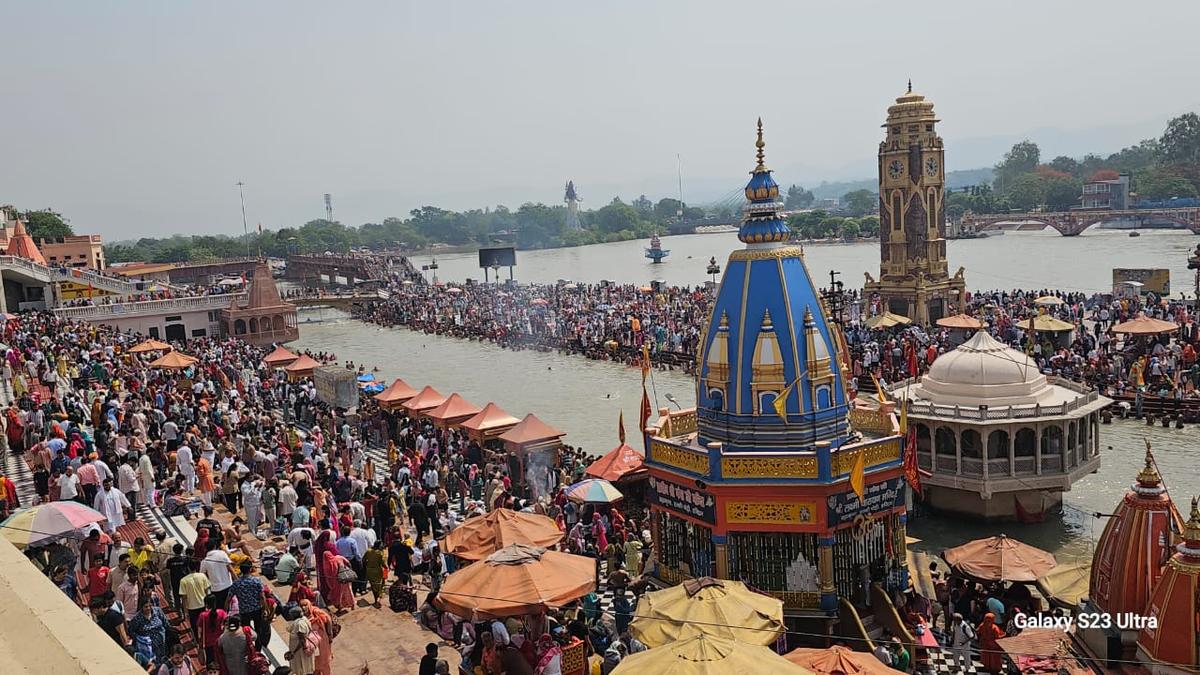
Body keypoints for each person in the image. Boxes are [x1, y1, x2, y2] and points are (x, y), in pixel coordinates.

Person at [229, 561, 270, 651]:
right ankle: (258, 649)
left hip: (244, 611)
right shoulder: (256, 581)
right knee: (258, 629)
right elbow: (262, 597)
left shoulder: (236, 583)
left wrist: (225, 612)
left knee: (246, 631)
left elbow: (228, 598)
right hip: (257, 609)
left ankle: (248, 647)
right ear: (250, 569)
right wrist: (266, 609)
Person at [128, 597, 169, 665]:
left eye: (150, 606)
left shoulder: (157, 611)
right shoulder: (138, 618)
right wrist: (139, 638)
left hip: (162, 645)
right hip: (148, 648)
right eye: (146, 607)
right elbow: (131, 630)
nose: (148, 608)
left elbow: (166, 623)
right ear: (142, 607)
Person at [301, 599, 334, 675]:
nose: (303, 608)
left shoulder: (316, 611)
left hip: (322, 640)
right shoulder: (302, 616)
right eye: (302, 606)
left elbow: (328, 618)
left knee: (324, 661)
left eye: (305, 605)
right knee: (315, 662)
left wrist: (330, 633)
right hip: (312, 643)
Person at [285, 605, 316, 675]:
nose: (290, 616)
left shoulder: (299, 624)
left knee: (302, 669)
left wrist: (293, 652)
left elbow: (302, 640)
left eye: (291, 615)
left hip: (300, 652)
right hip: (300, 650)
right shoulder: (304, 619)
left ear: (295, 615)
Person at [197, 594, 227, 665]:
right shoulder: (222, 613)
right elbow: (226, 625)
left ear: (206, 604)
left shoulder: (203, 616)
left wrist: (200, 642)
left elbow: (199, 632)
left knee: (210, 662)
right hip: (220, 642)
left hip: (208, 644)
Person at [362, 539, 387, 608]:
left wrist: (367, 565)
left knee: (373, 585)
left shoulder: (368, 551)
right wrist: (386, 567)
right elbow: (382, 563)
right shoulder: (379, 553)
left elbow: (363, 560)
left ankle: (376, 598)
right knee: (379, 585)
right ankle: (377, 598)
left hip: (369, 571)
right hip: (377, 571)